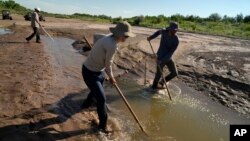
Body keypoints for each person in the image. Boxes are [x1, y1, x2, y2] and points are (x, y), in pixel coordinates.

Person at [81, 21, 135, 132]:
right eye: (125, 36)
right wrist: (112, 78)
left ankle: (85, 105)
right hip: (90, 72)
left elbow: (98, 39)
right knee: (101, 99)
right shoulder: (112, 45)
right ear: (119, 34)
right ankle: (103, 126)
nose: (126, 38)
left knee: (95, 91)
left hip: (98, 71)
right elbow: (108, 64)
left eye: (127, 36)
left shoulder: (108, 37)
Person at [147, 22, 179, 90]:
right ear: (169, 29)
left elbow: (171, 52)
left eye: (175, 30)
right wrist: (151, 37)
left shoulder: (176, 40)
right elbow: (158, 32)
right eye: (172, 30)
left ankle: (162, 82)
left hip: (168, 58)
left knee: (175, 73)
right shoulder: (164, 31)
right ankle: (153, 87)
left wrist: (161, 60)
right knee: (158, 74)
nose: (174, 31)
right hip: (160, 56)